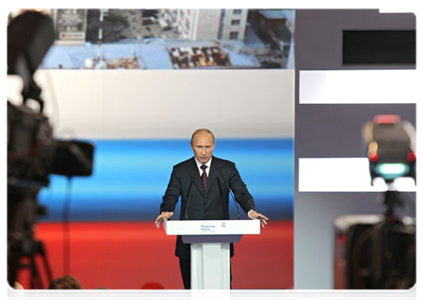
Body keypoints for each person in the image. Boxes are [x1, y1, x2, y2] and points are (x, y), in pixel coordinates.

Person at [155, 128, 269, 300]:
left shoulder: (226, 168)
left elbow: (241, 192)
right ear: (191, 146)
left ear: (214, 145)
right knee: (192, 289)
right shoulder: (180, 170)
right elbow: (171, 195)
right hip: (188, 240)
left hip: (219, 240)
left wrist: (250, 210)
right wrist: (166, 211)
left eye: (208, 147)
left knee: (222, 288)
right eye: (199, 147)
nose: (203, 152)